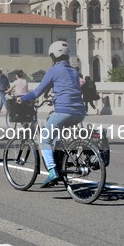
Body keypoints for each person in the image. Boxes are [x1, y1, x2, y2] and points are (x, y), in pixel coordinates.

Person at [17, 41, 86, 188]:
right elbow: (70, 87)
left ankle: (52, 171)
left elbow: (37, 92)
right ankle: (61, 159)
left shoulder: (53, 70)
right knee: (53, 126)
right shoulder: (74, 71)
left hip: (64, 111)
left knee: (44, 140)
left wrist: (22, 99)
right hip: (80, 112)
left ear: (54, 56)